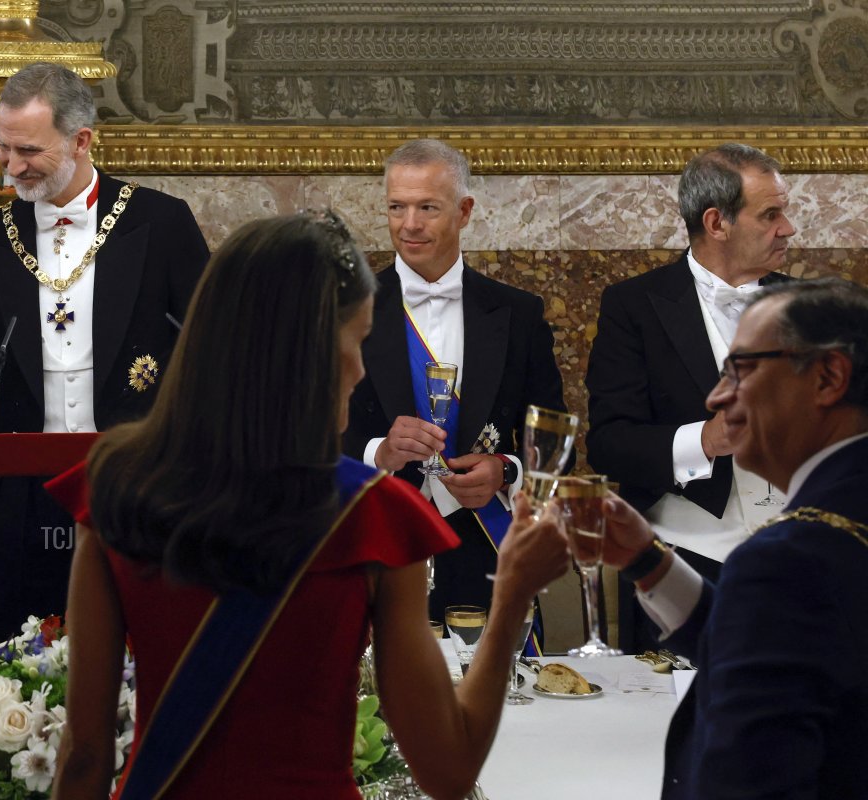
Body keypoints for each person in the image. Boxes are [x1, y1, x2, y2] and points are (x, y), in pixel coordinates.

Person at [46, 210, 572, 799]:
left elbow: (86, 755)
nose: (361, 368)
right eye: (357, 340)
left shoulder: (120, 485)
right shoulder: (375, 517)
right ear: (311, 353)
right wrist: (510, 602)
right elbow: (448, 772)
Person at [0, 62, 209, 648]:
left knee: (147, 665)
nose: (8, 167)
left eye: (28, 151)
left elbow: (210, 358)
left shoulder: (162, 224)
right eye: (2, 149)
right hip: (24, 502)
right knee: (17, 674)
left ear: (82, 141)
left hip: (138, 490)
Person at [600, 277, 868, 799]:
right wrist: (648, 562)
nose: (716, 397)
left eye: (739, 370)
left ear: (827, 378)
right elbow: (785, 646)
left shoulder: (789, 559)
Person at [343, 138, 570, 625]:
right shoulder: (342, 308)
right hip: (380, 541)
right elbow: (305, 437)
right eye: (397, 207)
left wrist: (507, 471)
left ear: (464, 211)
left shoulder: (518, 314)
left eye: (428, 207)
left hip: (485, 550)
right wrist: (378, 452)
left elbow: (553, 438)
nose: (409, 225)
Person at [586, 142, 795, 651]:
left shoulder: (805, 305)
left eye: (784, 211)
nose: (787, 227)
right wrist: (706, 438)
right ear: (716, 223)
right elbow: (609, 443)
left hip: (795, 561)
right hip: (681, 561)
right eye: (770, 214)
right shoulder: (633, 307)